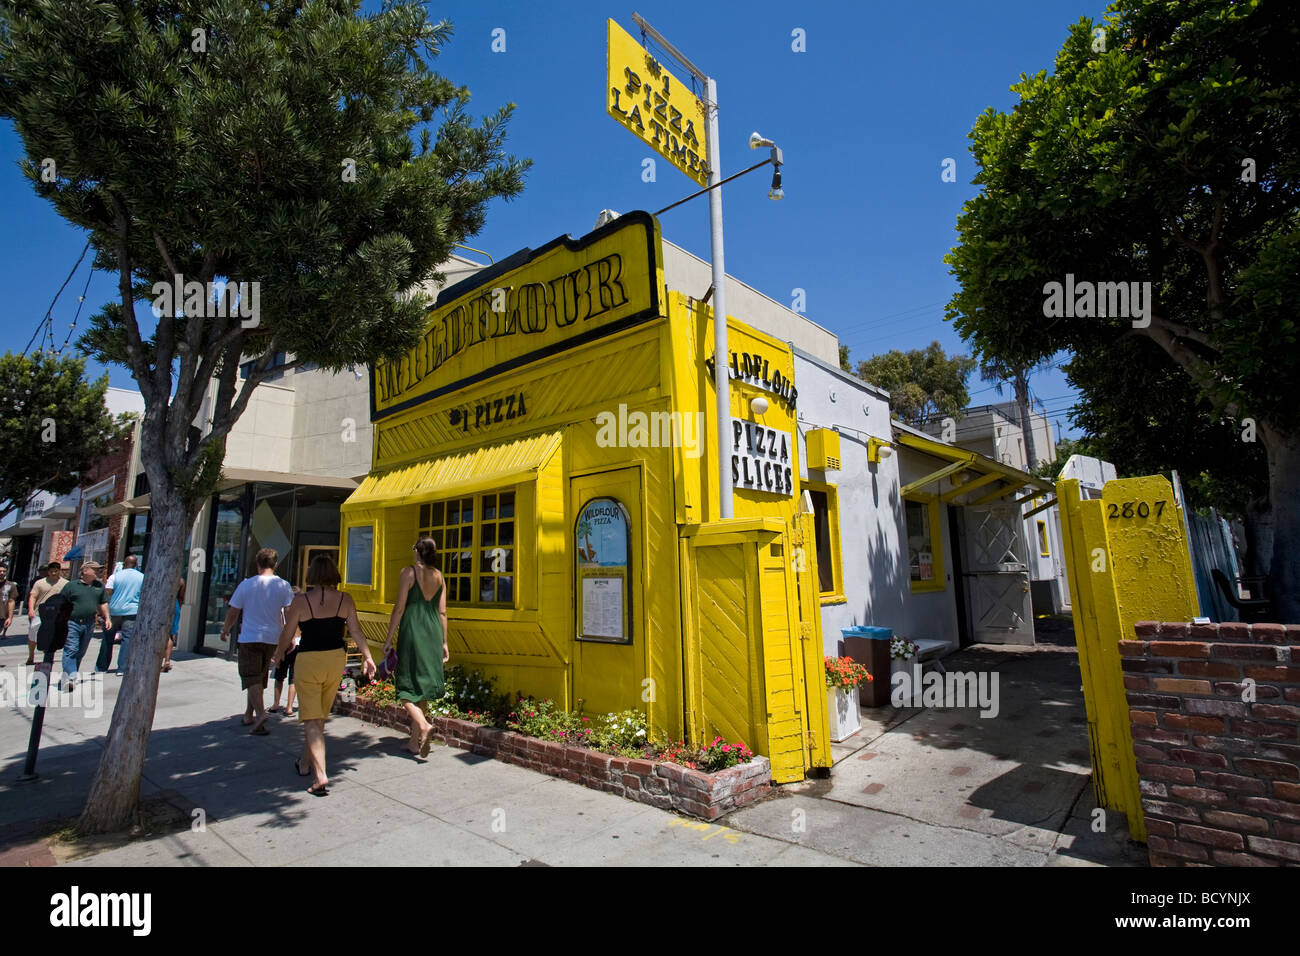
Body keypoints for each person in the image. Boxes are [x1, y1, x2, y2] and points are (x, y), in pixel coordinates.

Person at [271, 554, 374, 795]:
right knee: (318, 718)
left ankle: (320, 775)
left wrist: (277, 654)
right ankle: (305, 763)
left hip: (308, 660)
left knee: (311, 718)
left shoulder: (301, 601)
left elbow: (287, 634)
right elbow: (356, 632)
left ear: (312, 575)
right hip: (335, 659)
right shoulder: (345, 600)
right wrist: (368, 656)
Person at [382, 536, 449, 758]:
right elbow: (442, 612)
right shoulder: (439, 576)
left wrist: (388, 638)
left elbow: (399, 608)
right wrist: (444, 642)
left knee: (405, 685)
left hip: (413, 630)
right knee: (422, 687)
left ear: (418, 551)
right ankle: (414, 742)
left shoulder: (408, 572)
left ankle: (423, 725)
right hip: (433, 632)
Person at [219, 548, 294, 735]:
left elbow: (234, 611)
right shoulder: (283, 585)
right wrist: (290, 636)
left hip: (250, 637)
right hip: (272, 638)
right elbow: (289, 613)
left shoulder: (247, 585)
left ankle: (260, 714)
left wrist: (226, 628)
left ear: (257, 563)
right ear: (275, 564)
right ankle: (248, 713)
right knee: (259, 676)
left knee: (250, 676)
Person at [59, 562, 110, 691]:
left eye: (99, 570)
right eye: (95, 570)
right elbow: (61, 603)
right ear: (85, 571)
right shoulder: (71, 586)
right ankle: (71, 677)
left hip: (89, 623)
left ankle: (69, 674)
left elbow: (103, 603)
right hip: (72, 622)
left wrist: (107, 618)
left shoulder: (99, 586)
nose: (98, 572)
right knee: (72, 649)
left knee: (81, 651)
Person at [99, 555, 144, 675]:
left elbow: (107, 594)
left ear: (124, 564)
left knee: (107, 639)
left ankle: (102, 667)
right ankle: (122, 668)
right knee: (127, 639)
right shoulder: (142, 577)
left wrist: (103, 613)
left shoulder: (114, 577)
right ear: (136, 565)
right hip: (132, 611)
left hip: (114, 611)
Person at [26, 562, 66, 665]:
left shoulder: (65, 583)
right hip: (39, 613)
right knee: (33, 636)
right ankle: (31, 655)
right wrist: (31, 609)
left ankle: (48, 656)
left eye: (55, 571)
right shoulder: (40, 583)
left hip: (56, 615)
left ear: (59, 571)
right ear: (48, 571)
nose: (53, 573)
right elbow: (33, 596)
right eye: (51, 571)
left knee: (52, 637)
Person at [162, 578, 184, 673]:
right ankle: (167, 660)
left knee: (161, 634)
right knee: (170, 635)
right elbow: (181, 597)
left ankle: (159, 661)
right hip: (175, 605)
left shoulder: (163, 577)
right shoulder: (181, 581)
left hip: (162, 605)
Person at [0, 565, 18, 643]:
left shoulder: (11, 585)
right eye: (0, 571)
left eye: (4, 571)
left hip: (2, 615)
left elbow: (11, 601)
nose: (2, 573)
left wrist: (10, 617)